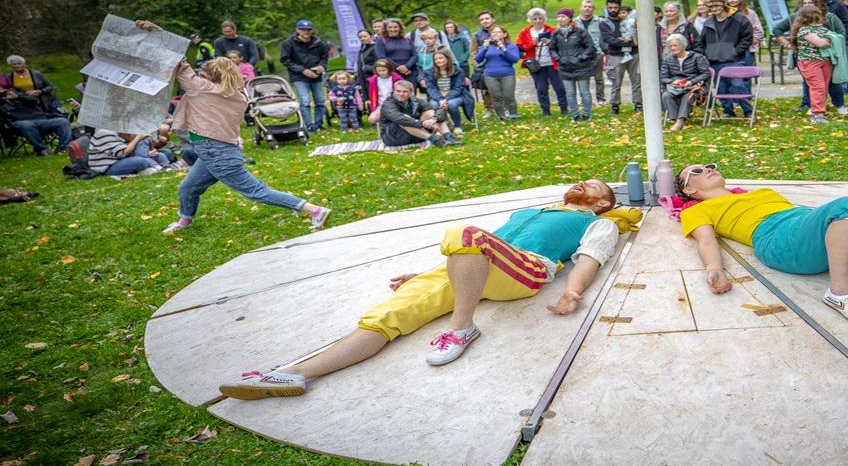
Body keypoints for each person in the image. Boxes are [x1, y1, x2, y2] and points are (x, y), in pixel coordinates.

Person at [218, 180, 629, 399]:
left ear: (601, 204)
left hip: (524, 271)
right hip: (476, 261)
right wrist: (428, 273)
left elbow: (591, 255)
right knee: (387, 316)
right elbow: (470, 249)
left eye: (594, 186)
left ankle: (462, 327)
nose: (583, 184)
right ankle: (291, 375)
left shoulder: (601, 222)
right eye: (581, 180)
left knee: (464, 232)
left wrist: (572, 292)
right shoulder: (534, 208)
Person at [675, 163, 848, 327]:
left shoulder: (761, 193)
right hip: (776, 240)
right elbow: (707, 241)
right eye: (697, 171)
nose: (709, 170)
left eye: (711, 166)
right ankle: (839, 294)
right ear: (689, 190)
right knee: (847, 205)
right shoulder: (695, 211)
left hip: (803, 225)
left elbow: (814, 218)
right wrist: (714, 267)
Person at [129, 22, 331, 233]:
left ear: (210, 76)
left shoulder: (201, 88)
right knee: (188, 187)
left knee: (257, 192)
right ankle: (184, 221)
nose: (199, 76)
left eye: (203, 73)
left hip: (217, 153)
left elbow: (178, 61)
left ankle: (314, 210)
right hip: (218, 150)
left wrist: (156, 33)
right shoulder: (238, 94)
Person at [699, 0, 754, 118]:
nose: (714, 8)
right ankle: (728, 111)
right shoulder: (708, 22)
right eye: (711, 6)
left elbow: (747, 37)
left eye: (717, 5)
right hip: (715, 61)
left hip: (735, 60)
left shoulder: (739, 19)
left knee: (737, 85)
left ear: (724, 5)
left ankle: (748, 110)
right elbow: (702, 41)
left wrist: (736, 51)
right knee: (721, 88)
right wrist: (706, 53)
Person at [517, 7, 569, 117]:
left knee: (559, 87)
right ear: (530, 20)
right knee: (541, 88)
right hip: (535, 64)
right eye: (534, 19)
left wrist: (550, 42)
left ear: (544, 19)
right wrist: (533, 43)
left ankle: (564, 108)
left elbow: (562, 45)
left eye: (540, 18)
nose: (537, 21)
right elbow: (520, 47)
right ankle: (545, 111)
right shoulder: (525, 32)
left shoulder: (551, 30)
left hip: (552, 63)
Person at [279, 19, 330, 131]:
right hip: (299, 76)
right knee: (305, 101)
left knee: (320, 100)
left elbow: (324, 57)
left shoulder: (319, 42)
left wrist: (322, 67)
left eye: (308, 30)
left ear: (312, 30)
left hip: (316, 75)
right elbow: (285, 60)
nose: (306, 32)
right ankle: (308, 125)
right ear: (297, 30)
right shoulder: (288, 43)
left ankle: (318, 124)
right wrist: (302, 70)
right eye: (303, 29)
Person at [378, 79, 460, 148]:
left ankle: (449, 137)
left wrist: (434, 119)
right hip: (393, 137)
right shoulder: (388, 104)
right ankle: (436, 141)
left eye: (405, 91)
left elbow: (438, 110)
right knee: (404, 119)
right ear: (394, 91)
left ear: (411, 93)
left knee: (430, 112)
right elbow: (398, 118)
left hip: (416, 134)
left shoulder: (415, 100)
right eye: (398, 91)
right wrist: (422, 123)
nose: (401, 94)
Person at [550, 8, 597, 121]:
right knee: (570, 93)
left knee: (584, 92)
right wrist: (558, 58)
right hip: (565, 68)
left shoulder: (580, 31)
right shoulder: (556, 33)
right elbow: (552, 48)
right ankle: (575, 114)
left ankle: (586, 114)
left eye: (563, 16)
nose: (560, 19)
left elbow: (590, 47)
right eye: (559, 16)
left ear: (570, 18)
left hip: (581, 67)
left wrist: (581, 58)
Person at [791, 7, 836, 124]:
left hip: (826, 61)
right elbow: (821, 43)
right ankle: (817, 114)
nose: (819, 15)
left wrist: (830, 40)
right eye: (817, 13)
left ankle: (821, 111)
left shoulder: (821, 28)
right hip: (809, 62)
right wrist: (830, 40)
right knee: (818, 86)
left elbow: (835, 38)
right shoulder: (804, 30)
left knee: (824, 87)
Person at [599, 0, 642, 114]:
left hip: (633, 54)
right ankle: (615, 105)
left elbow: (637, 38)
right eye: (610, 7)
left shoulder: (629, 20)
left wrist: (626, 41)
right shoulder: (604, 23)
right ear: (607, 8)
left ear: (620, 7)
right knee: (616, 82)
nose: (613, 10)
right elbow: (609, 39)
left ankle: (638, 104)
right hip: (615, 55)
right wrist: (625, 41)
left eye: (615, 7)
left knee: (637, 81)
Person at [660, 33, 711, 132]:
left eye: (675, 45)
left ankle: (680, 121)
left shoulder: (697, 57)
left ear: (683, 45)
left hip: (695, 87)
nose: (672, 48)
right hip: (676, 87)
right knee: (666, 95)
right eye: (670, 46)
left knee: (688, 96)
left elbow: (706, 74)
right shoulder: (668, 59)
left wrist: (691, 82)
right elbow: (663, 77)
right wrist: (673, 81)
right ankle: (676, 119)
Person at [0, 87, 71, 156]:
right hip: (20, 122)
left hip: (41, 120)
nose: (5, 94)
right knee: (27, 125)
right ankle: (42, 149)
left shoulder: (20, 95)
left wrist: (17, 96)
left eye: (5, 91)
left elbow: (33, 100)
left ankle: (64, 148)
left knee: (62, 121)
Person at [474, 25, 521, 121]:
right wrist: (484, 48)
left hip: (507, 74)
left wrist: (502, 48)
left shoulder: (511, 46)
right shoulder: (487, 46)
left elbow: (514, 59)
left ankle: (513, 114)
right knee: (496, 97)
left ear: (504, 34)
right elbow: (478, 59)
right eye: (493, 32)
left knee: (508, 96)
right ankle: (501, 116)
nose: (496, 34)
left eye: (498, 32)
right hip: (490, 75)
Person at [424, 48, 474, 134]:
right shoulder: (429, 72)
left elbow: (458, 88)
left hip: (456, 95)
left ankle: (457, 125)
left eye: (441, 58)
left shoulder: (458, 71)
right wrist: (440, 99)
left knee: (451, 104)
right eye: (436, 59)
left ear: (448, 58)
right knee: (433, 104)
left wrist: (446, 99)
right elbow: (431, 88)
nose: (438, 61)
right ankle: (441, 125)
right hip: (438, 95)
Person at [577, 0, 607, 105]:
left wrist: (603, 51)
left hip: (597, 53)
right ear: (581, 8)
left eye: (589, 7)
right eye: (585, 6)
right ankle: (583, 98)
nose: (587, 9)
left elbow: (605, 37)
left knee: (598, 78)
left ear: (593, 9)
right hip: (581, 54)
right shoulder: (575, 22)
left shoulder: (600, 21)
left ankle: (601, 99)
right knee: (582, 78)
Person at [726, 0, 764, 66]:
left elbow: (759, 31)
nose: (731, 1)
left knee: (747, 74)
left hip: (747, 50)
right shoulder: (724, 13)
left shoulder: (750, 13)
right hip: (728, 49)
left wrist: (750, 42)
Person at [472, 11, 499, 118]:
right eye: (482, 19)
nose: (485, 21)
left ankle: (504, 108)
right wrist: (475, 63)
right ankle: (489, 109)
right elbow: (473, 50)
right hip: (484, 65)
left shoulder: (500, 31)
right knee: (486, 89)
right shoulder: (477, 34)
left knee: (500, 87)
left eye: (487, 18)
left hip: (499, 63)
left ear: (493, 19)